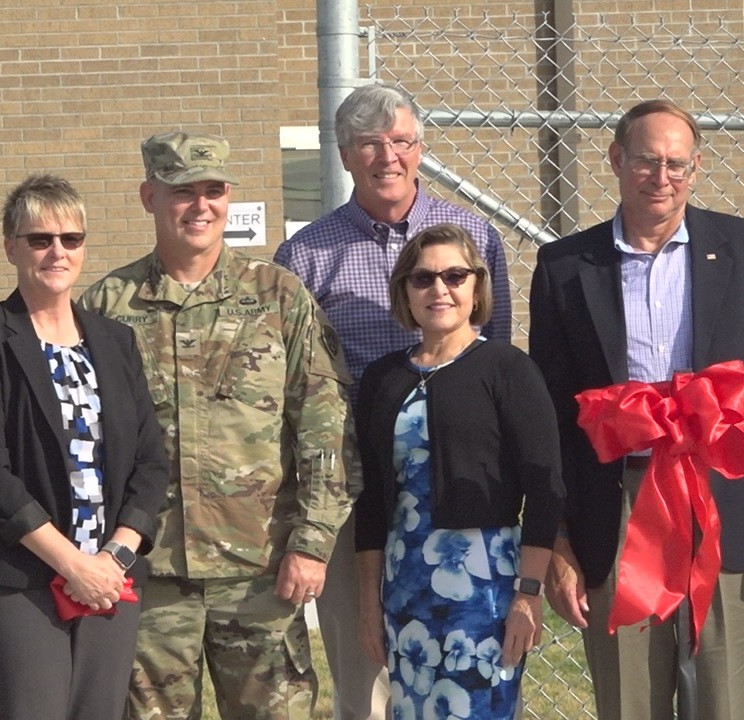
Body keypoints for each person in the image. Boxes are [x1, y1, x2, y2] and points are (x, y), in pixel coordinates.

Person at [528, 99, 744, 720]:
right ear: (617, 160)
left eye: (677, 164)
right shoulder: (565, 266)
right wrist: (559, 536)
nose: (662, 177)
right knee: (630, 700)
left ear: (696, 167)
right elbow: (551, 416)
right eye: (648, 161)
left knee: (725, 700)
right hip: (615, 507)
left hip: (722, 498)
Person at [80, 131, 356, 720]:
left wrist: (311, 543)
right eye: (183, 192)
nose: (200, 205)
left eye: (214, 190)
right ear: (148, 196)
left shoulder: (278, 297)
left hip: (260, 571)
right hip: (150, 574)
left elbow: (325, 425)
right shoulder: (109, 305)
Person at [273, 82, 511, 720]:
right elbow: (292, 385)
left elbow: (501, 361)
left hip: (463, 484)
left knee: (468, 658)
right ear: (345, 156)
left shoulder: (474, 239)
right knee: (368, 660)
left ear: (420, 149)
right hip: (356, 485)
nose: (388, 157)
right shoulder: (303, 257)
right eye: (370, 145)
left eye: (401, 141)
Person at [0, 173, 169, 719]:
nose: (57, 251)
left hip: (111, 578)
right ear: (10, 247)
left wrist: (114, 556)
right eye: (40, 239)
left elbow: (150, 458)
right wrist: (72, 564)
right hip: (21, 581)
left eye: (71, 239)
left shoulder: (116, 341)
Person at [354, 223, 562, 719]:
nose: (439, 289)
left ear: (477, 286)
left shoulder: (507, 370)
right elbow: (371, 499)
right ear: (405, 289)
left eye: (454, 275)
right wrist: (369, 602)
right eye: (422, 278)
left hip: (484, 583)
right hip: (404, 580)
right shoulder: (384, 379)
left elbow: (546, 487)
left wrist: (528, 595)